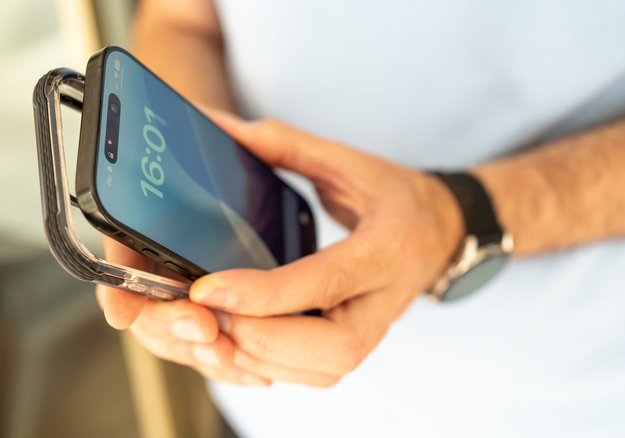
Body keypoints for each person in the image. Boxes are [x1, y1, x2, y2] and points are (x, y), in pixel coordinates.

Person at [97, 0, 625, 436]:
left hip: (557, 401)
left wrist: (453, 216)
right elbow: (182, 21)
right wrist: (188, 170)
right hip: (266, 407)